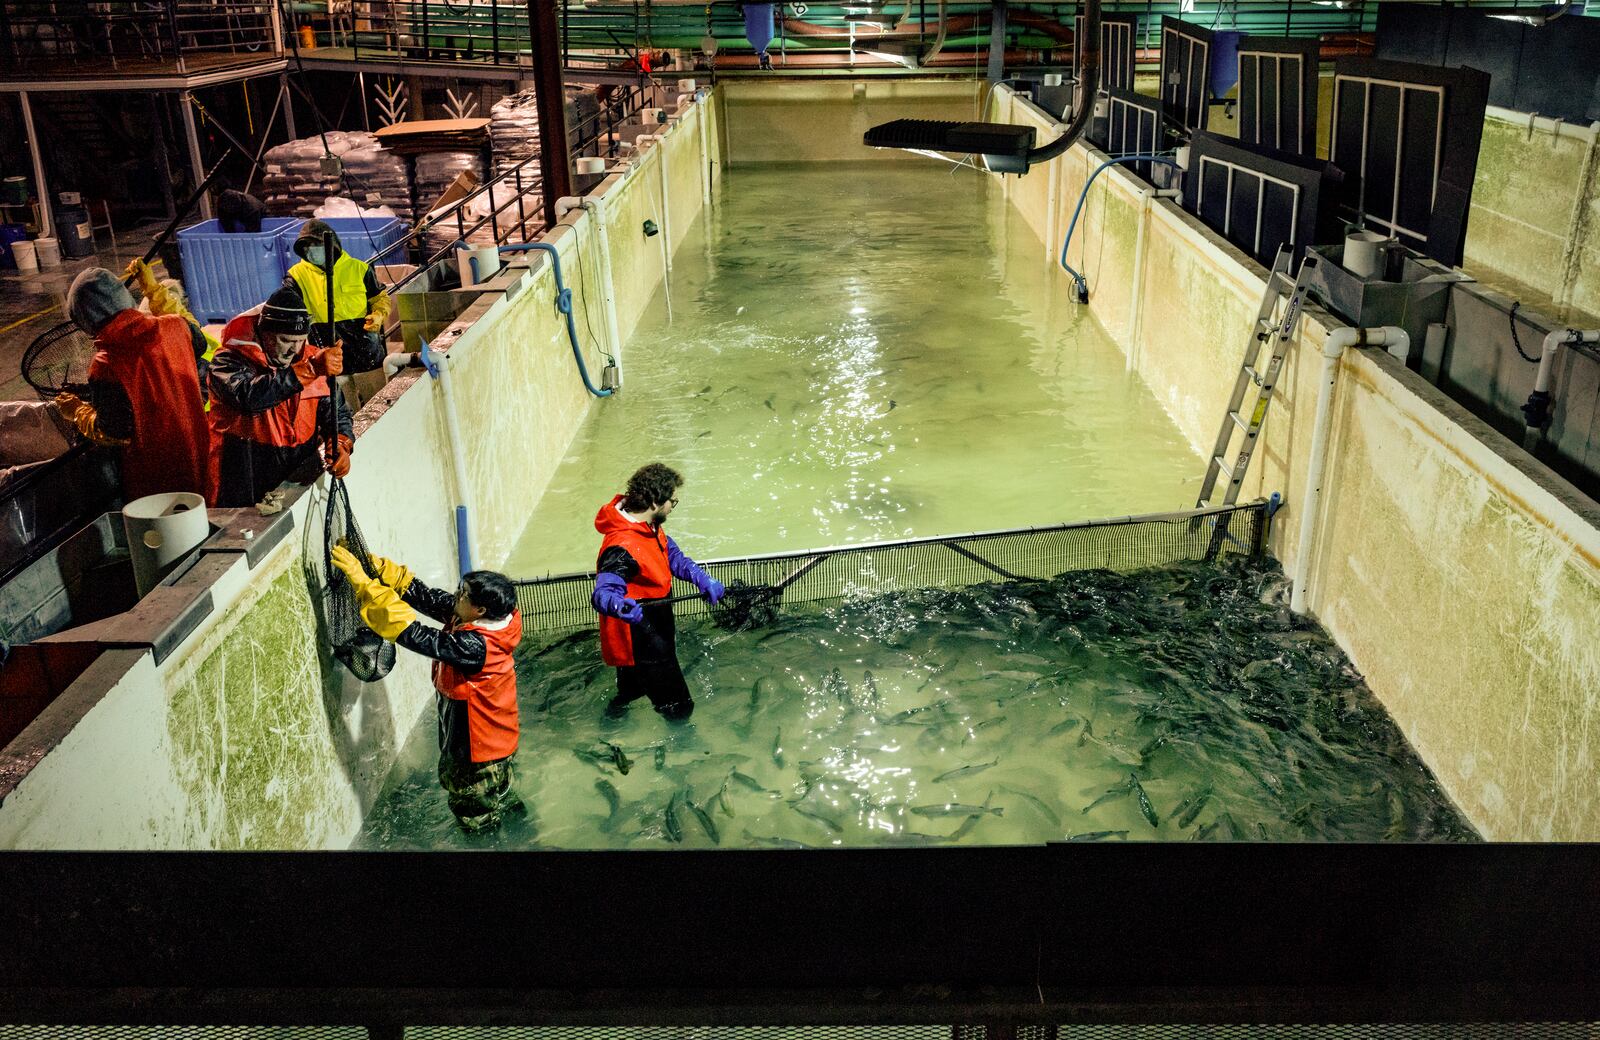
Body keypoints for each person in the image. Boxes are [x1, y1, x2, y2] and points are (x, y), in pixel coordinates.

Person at [330, 547, 525, 832]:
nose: (456, 596)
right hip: (499, 743)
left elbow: (414, 634)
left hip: (477, 756)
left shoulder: (475, 646)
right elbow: (426, 597)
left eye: (463, 594)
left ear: (480, 610)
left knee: (476, 823)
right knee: (503, 799)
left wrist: (364, 584)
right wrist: (378, 568)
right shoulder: (488, 619)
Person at [55, 262, 216, 503]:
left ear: (85, 319)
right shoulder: (176, 326)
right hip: (201, 459)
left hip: (153, 484)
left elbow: (114, 432)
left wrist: (77, 411)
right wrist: (152, 288)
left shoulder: (106, 364)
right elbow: (195, 336)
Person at [590, 462, 724, 722]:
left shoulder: (647, 526)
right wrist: (618, 605)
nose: (672, 507)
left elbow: (672, 555)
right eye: (672, 501)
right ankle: (685, 747)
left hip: (654, 619)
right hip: (641, 633)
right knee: (679, 706)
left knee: (632, 689)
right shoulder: (622, 545)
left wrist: (701, 578)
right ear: (654, 502)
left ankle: (614, 720)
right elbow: (603, 592)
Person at [208, 283, 351, 508]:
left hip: (297, 476)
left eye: (299, 341)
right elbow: (249, 397)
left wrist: (340, 443)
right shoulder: (227, 361)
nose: (293, 350)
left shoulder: (311, 359)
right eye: (285, 340)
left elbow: (337, 412)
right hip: (243, 480)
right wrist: (311, 370)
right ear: (264, 334)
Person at [284, 219, 391, 373]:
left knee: (377, 393)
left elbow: (380, 298)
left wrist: (379, 315)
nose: (311, 251)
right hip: (328, 358)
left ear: (332, 245)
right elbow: (288, 311)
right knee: (340, 395)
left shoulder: (359, 268)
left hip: (367, 352)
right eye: (306, 247)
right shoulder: (296, 276)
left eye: (316, 245)